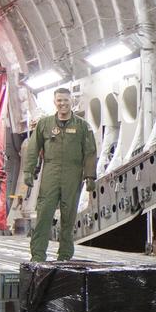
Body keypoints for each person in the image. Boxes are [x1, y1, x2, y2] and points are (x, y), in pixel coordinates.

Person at [21, 87, 97, 262]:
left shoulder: (83, 126)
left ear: (72, 102)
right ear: (55, 102)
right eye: (59, 100)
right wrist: (28, 171)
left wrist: (90, 176)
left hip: (73, 175)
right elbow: (33, 149)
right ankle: (38, 255)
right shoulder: (44, 124)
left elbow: (90, 151)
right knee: (44, 215)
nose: (62, 103)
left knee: (68, 217)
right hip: (51, 174)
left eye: (66, 100)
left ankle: (64, 255)